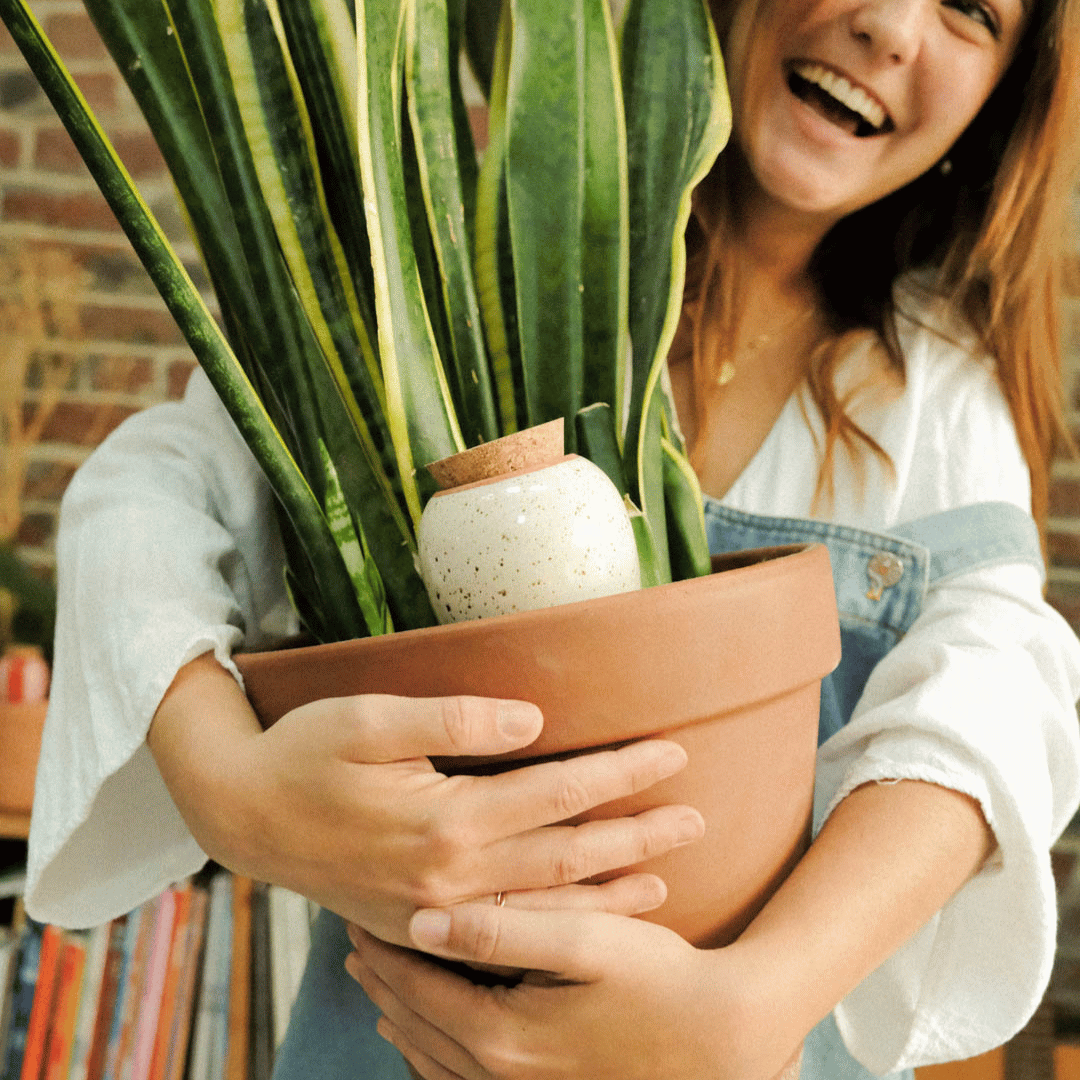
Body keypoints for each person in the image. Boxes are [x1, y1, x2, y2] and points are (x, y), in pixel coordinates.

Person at [20, 0, 1080, 1076]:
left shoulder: (934, 392)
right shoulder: (471, 276)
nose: (894, 27)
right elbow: (153, 488)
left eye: (970, 13)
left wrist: (757, 1002)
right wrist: (229, 790)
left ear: (1001, 99)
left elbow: (996, 689)